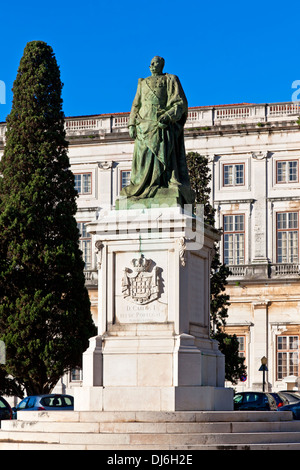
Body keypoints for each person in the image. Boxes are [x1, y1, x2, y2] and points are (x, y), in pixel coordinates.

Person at [117, 56, 194, 207]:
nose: (151, 65)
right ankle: (142, 185)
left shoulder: (171, 79)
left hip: (161, 125)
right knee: (143, 157)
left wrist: (168, 116)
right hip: (143, 126)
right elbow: (136, 105)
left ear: (162, 65)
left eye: (155, 63)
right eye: (151, 63)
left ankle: (162, 184)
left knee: (164, 156)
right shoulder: (142, 83)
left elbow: (180, 102)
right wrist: (131, 124)